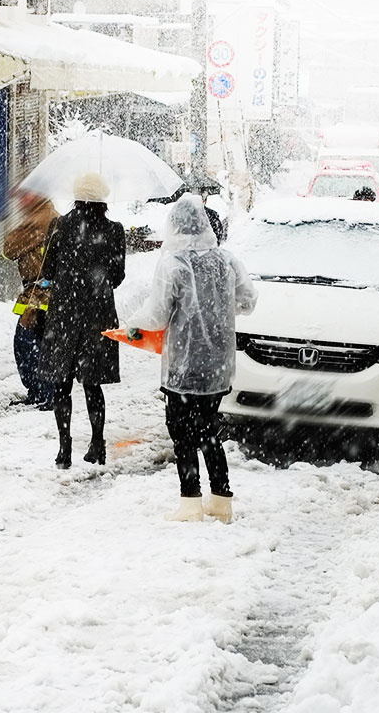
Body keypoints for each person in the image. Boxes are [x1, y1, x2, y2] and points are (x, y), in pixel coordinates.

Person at [123, 196, 257, 523]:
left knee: (181, 433)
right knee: (209, 429)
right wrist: (220, 308)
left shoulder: (174, 264)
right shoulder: (227, 261)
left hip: (182, 365)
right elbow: (248, 301)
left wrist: (133, 326)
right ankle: (222, 500)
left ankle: (190, 502)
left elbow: (156, 315)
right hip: (217, 364)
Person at [38, 173, 126, 468]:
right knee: (92, 384)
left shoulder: (60, 225)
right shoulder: (114, 230)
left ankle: (65, 448)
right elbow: (117, 276)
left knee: (61, 384)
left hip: (64, 314)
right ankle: (98, 444)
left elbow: (47, 271)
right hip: (97, 315)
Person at [2, 191, 60, 409]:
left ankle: (43, 392)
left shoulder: (38, 220)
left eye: (26, 197)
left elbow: (8, 250)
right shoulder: (53, 215)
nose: (20, 201)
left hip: (39, 294)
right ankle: (45, 391)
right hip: (48, 291)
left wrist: (18, 228)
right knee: (43, 341)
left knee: (26, 343)